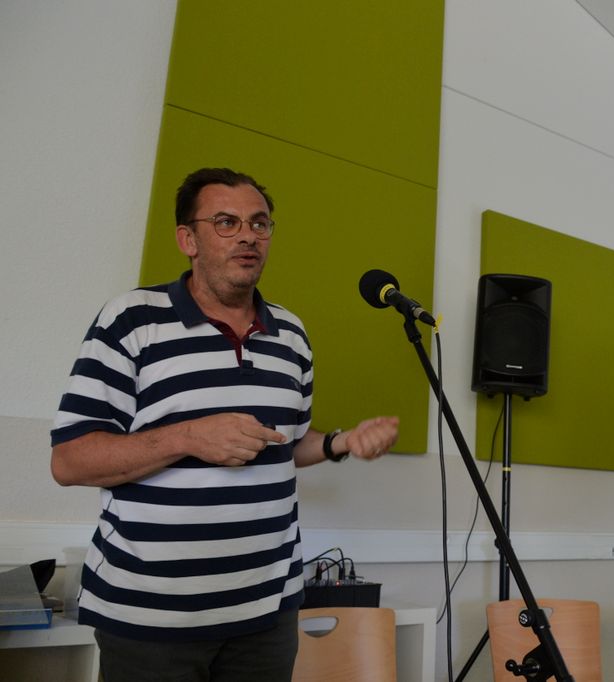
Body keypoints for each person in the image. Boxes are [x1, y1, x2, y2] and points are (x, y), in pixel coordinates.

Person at [50, 167, 399, 682]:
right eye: (226, 222)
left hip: (267, 613)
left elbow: (286, 444)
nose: (248, 236)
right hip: (151, 618)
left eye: (259, 223)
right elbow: (70, 460)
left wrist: (342, 442)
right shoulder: (131, 320)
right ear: (187, 240)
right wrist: (189, 436)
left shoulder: (292, 335)